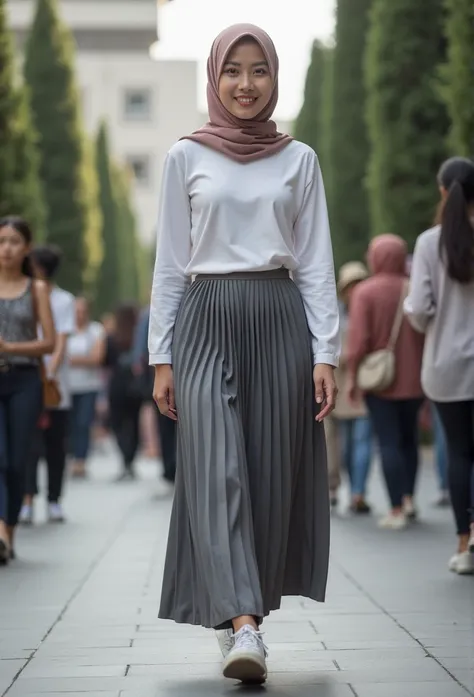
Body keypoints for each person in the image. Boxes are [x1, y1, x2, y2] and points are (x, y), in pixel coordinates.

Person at [149, 24, 340, 684]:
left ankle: (242, 616)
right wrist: (161, 355)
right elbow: (170, 262)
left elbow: (315, 261)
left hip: (280, 319)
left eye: (259, 70)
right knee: (217, 465)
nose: (246, 84)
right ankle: (244, 624)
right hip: (205, 320)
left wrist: (327, 352)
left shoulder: (300, 160)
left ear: (274, 79)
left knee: (264, 473)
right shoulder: (184, 157)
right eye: (233, 70)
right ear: (214, 77)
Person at [405, 157, 474, 575]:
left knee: (460, 453)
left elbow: (421, 310)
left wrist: (417, 312)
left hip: (446, 364)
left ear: (443, 191)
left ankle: (463, 546)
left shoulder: (430, 243)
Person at [346, 234, 424, 530]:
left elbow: (359, 342)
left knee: (388, 442)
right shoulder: (412, 287)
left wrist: (353, 378)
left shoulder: (365, 292)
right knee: (410, 441)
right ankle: (408, 498)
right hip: (415, 378)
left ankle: (394, 508)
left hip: (380, 383)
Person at [0, 217, 55, 562]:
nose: (6, 248)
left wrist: (9, 347)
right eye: (2, 240)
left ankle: (9, 530)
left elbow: (49, 343)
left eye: (14, 241)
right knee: (0, 458)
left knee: (18, 462)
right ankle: (1, 531)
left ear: (27, 248)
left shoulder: (36, 290)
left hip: (24, 381)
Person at [20, 246, 75, 524]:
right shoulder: (22, 294)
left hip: (54, 385)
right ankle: (27, 499)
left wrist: (49, 372)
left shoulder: (64, 301)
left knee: (55, 444)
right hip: (28, 378)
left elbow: (62, 340)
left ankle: (54, 500)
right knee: (28, 444)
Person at [334, 262, 373, 514]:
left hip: (365, 383)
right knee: (346, 444)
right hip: (339, 384)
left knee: (362, 440)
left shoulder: (369, 309)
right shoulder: (335, 313)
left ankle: (358, 491)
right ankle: (351, 488)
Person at [132, 305, 176, 484]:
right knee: (166, 419)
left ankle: (171, 467)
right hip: (162, 369)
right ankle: (169, 467)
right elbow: (142, 345)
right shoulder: (150, 314)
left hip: (174, 367)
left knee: (168, 423)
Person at [68, 298, 106, 479]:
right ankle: (71, 456)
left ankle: (80, 460)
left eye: (82, 311)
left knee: (83, 423)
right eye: (76, 311)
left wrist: (70, 360)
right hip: (67, 386)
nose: (79, 315)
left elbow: (97, 358)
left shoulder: (96, 330)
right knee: (69, 424)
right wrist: (84, 359)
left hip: (89, 386)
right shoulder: (65, 330)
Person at [107, 304, 143, 481]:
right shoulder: (139, 337)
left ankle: (125, 457)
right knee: (134, 423)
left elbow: (104, 361)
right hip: (135, 385)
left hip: (117, 386)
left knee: (117, 423)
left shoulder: (112, 338)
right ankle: (131, 458)